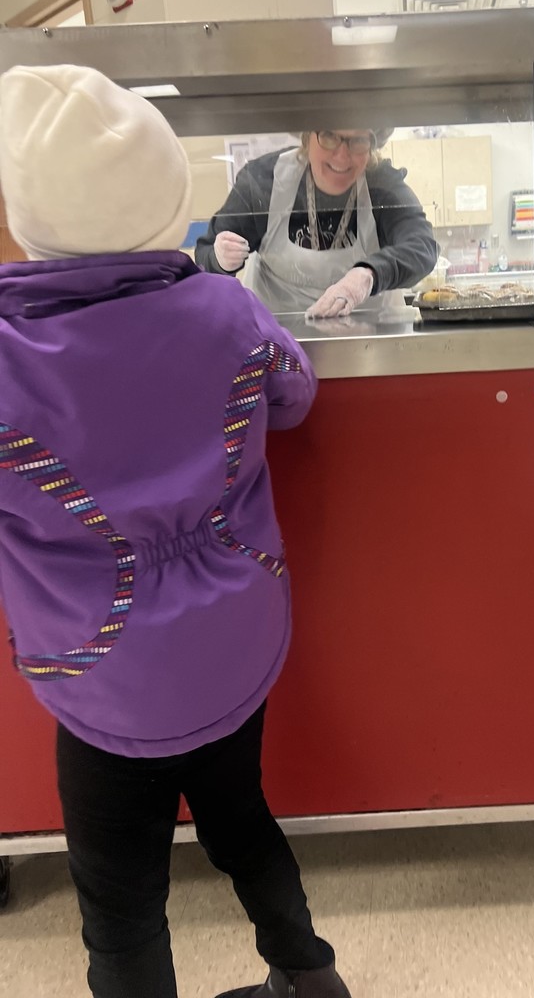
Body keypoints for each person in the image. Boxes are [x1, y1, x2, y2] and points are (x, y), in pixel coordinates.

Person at [0, 64, 351, 998]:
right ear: (168, 204)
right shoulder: (225, 307)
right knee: (244, 820)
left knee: (118, 901)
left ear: (25, 220)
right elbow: (295, 395)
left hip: (101, 669)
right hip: (231, 639)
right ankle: (310, 980)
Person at [195, 129, 438, 317]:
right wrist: (219, 259)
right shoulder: (264, 181)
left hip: (368, 346)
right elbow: (205, 255)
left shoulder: (382, 185)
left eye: (358, 141)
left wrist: (367, 276)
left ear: (372, 144)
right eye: (329, 136)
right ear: (307, 137)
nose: (343, 155)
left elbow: (422, 247)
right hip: (279, 350)